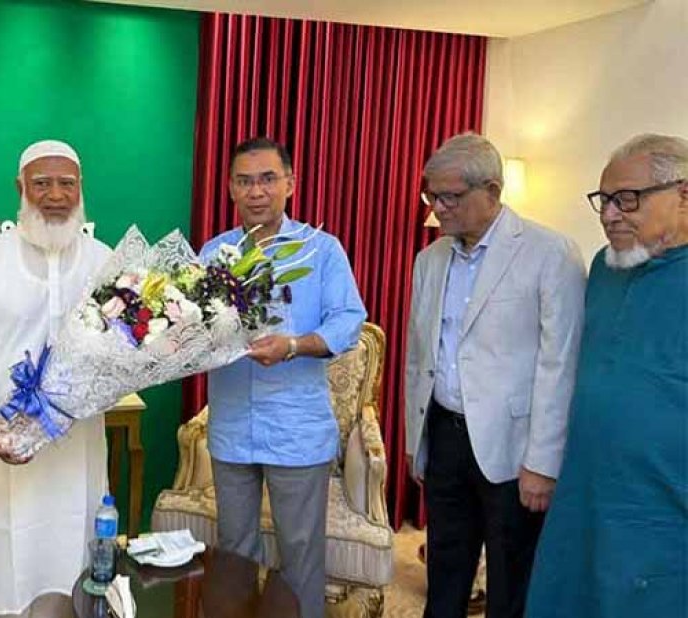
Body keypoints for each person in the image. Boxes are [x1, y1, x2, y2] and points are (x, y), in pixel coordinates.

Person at [403, 133, 586, 618]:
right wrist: (416, 440)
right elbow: (419, 354)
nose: (439, 208)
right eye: (431, 196)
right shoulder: (429, 259)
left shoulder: (551, 253)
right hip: (444, 433)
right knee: (444, 572)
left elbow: (560, 364)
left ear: (492, 190)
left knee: (511, 583)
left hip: (514, 447)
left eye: (451, 197)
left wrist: (543, 463)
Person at [0, 139, 112, 618]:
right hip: (3, 450)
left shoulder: (104, 262)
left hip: (77, 450)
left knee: (74, 566)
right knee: (3, 576)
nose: (55, 195)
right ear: (20, 188)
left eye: (66, 184)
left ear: (81, 188)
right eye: (42, 184)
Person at [200, 137, 367, 618]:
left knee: (300, 554)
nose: (257, 191)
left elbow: (347, 321)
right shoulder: (214, 253)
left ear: (290, 184)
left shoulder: (321, 250)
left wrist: (293, 346)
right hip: (232, 427)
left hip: (297, 430)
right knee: (234, 551)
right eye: (245, 181)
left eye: (268, 179)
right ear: (230, 188)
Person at [526, 134, 688, 617]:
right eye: (604, 199)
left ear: (684, 195)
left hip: (662, 507)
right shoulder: (604, 268)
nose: (610, 215)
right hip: (586, 487)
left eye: (628, 199)